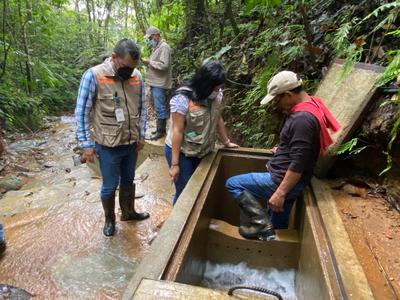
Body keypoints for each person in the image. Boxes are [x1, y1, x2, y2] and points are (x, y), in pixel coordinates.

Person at [226, 71, 340, 241]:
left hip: (281, 180)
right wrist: (284, 148)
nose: (276, 105)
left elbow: (298, 162)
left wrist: (280, 193)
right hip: (294, 182)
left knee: (233, 184)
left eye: (277, 99)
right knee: (277, 229)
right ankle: (271, 245)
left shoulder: (302, 119)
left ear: (288, 94)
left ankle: (260, 224)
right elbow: (301, 146)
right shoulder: (312, 103)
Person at [75, 38, 149, 237]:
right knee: (109, 185)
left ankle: (128, 212)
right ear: (114, 57)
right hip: (107, 144)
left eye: (133, 68)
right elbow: (82, 112)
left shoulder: (137, 76)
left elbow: (142, 109)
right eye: (126, 67)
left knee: (129, 180)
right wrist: (86, 144)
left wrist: (142, 135)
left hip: (131, 142)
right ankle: (109, 220)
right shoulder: (93, 76)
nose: (129, 72)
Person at [165, 61, 239, 204]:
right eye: (215, 88)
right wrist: (175, 165)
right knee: (184, 193)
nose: (218, 91)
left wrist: (226, 142)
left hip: (203, 149)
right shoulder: (182, 98)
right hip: (182, 152)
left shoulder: (217, 95)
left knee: (199, 189)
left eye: (219, 88)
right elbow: (177, 131)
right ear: (205, 84)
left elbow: (217, 118)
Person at [142, 26, 172, 140]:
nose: (149, 40)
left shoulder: (164, 47)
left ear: (155, 35)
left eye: (150, 38)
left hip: (160, 83)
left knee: (160, 107)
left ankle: (160, 131)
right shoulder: (157, 47)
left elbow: (164, 65)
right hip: (156, 83)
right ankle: (159, 129)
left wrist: (150, 62)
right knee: (158, 107)